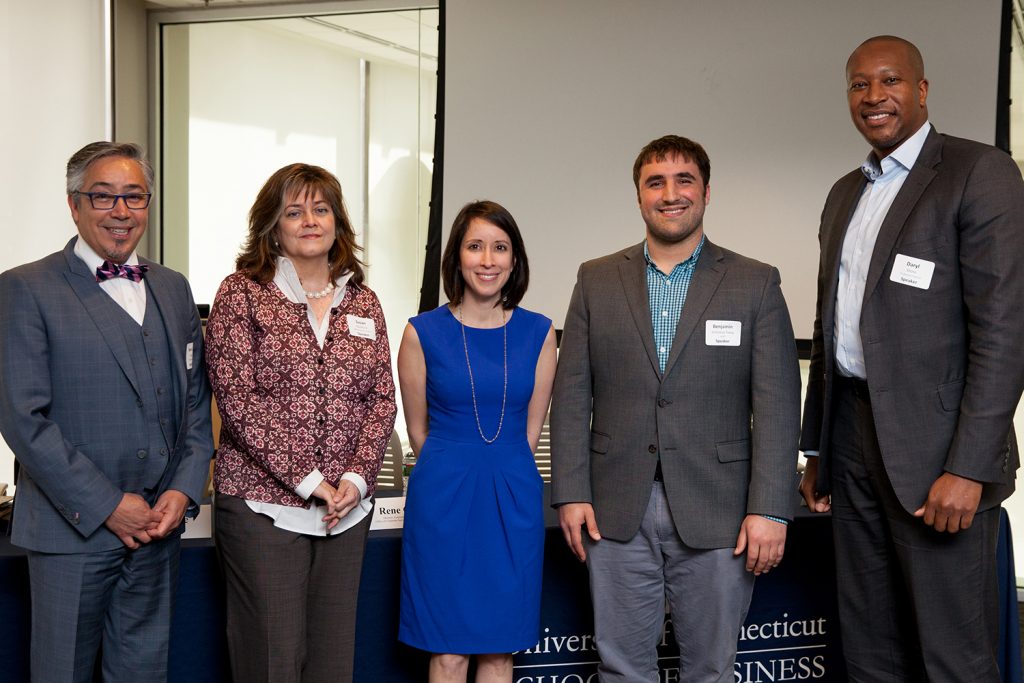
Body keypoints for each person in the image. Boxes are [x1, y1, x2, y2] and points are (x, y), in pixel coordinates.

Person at [799, 35, 1024, 682]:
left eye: (890, 81)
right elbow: (829, 322)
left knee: (953, 655)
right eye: (859, 84)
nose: (874, 96)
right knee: (870, 647)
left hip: (939, 454)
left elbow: (1005, 332)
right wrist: (817, 447)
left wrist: (969, 465)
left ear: (921, 90)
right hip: (851, 437)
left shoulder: (978, 172)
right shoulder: (846, 192)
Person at [551, 135, 801, 682]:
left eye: (684, 180)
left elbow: (780, 406)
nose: (670, 194)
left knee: (711, 672)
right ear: (638, 196)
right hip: (615, 510)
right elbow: (571, 395)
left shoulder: (755, 282)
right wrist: (570, 492)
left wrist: (771, 509)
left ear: (706, 192)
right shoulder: (595, 279)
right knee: (621, 669)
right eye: (655, 182)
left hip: (723, 511)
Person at [0, 141, 214, 682]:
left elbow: (195, 402)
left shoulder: (173, 287)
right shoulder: (25, 288)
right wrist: (108, 505)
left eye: (134, 197)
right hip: (72, 531)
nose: (121, 212)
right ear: (74, 205)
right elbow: (23, 419)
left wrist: (182, 490)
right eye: (103, 197)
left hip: (157, 531)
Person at [204, 163, 396, 683]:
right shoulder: (241, 293)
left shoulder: (364, 301)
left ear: (338, 221)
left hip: (345, 512)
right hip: (263, 508)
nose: (309, 220)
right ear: (272, 225)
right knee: (272, 663)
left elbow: (382, 400)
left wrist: (354, 482)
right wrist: (313, 482)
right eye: (294, 211)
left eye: (320, 208)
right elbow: (239, 402)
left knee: (334, 664)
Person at [397, 200, 557, 682]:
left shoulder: (541, 332)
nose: (488, 260)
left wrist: (498, 467)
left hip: (513, 497)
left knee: (499, 650)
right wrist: (457, 466)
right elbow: (418, 431)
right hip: (442, 499)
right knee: (447, 651)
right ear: (457, 257)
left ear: (515, 259)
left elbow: (530, 432)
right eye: (475, 246)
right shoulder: (420, 333)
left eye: (500, 247)